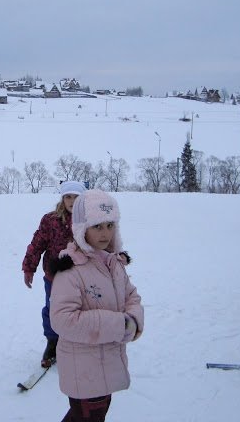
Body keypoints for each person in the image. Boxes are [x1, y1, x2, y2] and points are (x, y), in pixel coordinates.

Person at [50, 189, 144, 421]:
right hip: (84, 372)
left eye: (110, 225)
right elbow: (63, 319)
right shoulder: (71, 269)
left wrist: (133, 320)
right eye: (97, 226)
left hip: (106, 366)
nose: (105, 233)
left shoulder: (113, 262)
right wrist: (120, 325)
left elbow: (131, 296)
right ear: (82, 228)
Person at [22, 180, 86, 368]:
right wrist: (29, 267)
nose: (72, 201)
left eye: (76, 197)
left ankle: (79, 342)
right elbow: (37, 244)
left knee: (82, 309)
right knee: (53, 310)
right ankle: (53, 343)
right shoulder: (50, 220)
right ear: (62, 198)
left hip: (82, 276)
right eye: (68, 197)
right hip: (54, 276)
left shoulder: (90, 219)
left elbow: (102, 244)